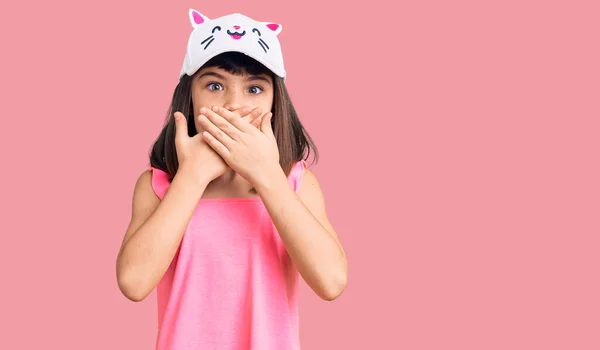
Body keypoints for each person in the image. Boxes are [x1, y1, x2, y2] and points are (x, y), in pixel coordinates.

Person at [116, 9, 348, 350]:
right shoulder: (158, 186)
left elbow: (331, 282)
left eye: (254, 89)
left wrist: (267, 175)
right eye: (214, 85)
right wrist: (192, 177)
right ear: (189, 96)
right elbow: (133, 283)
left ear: (275, 101)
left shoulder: (296, 184)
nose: (233, 104)